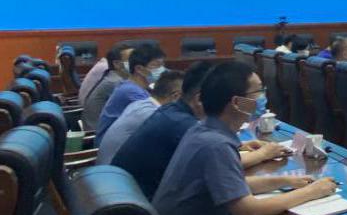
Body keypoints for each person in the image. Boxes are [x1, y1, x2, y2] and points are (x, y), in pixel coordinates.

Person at [152, 61, 335, 215]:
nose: (263, 96)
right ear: (237, 103)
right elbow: (248, 212)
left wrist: (285, 181)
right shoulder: (216, 145)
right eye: (258, 91)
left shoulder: (202, 131)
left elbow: (229, 184)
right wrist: (313, 192)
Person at [114, 61, 285, 199]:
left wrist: (242, 147)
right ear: (200, 98)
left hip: (139, 199)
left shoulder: (177, 115)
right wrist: (264, 154)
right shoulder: (185, 126)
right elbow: (222, 167)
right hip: (147, 204)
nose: (262, 96)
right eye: (258, 91)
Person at [97, 69, 182, 165]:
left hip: (107, 167)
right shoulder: (153, 114)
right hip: (115, 171)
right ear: (176, 96)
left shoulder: (140, 104)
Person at [95, 43, 166, 144]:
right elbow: (159, 119)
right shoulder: (131, 91)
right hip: (111, 145)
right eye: (156, 65)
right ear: (139, 69)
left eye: (162, 65)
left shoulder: (132, 85)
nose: (162, 70)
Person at [81, 45, 133, 130]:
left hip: (101, 126)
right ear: (116, 64)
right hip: (98, 131)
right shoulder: (115, 83)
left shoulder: (112, 76)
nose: (137, 62)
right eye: (131, 60)